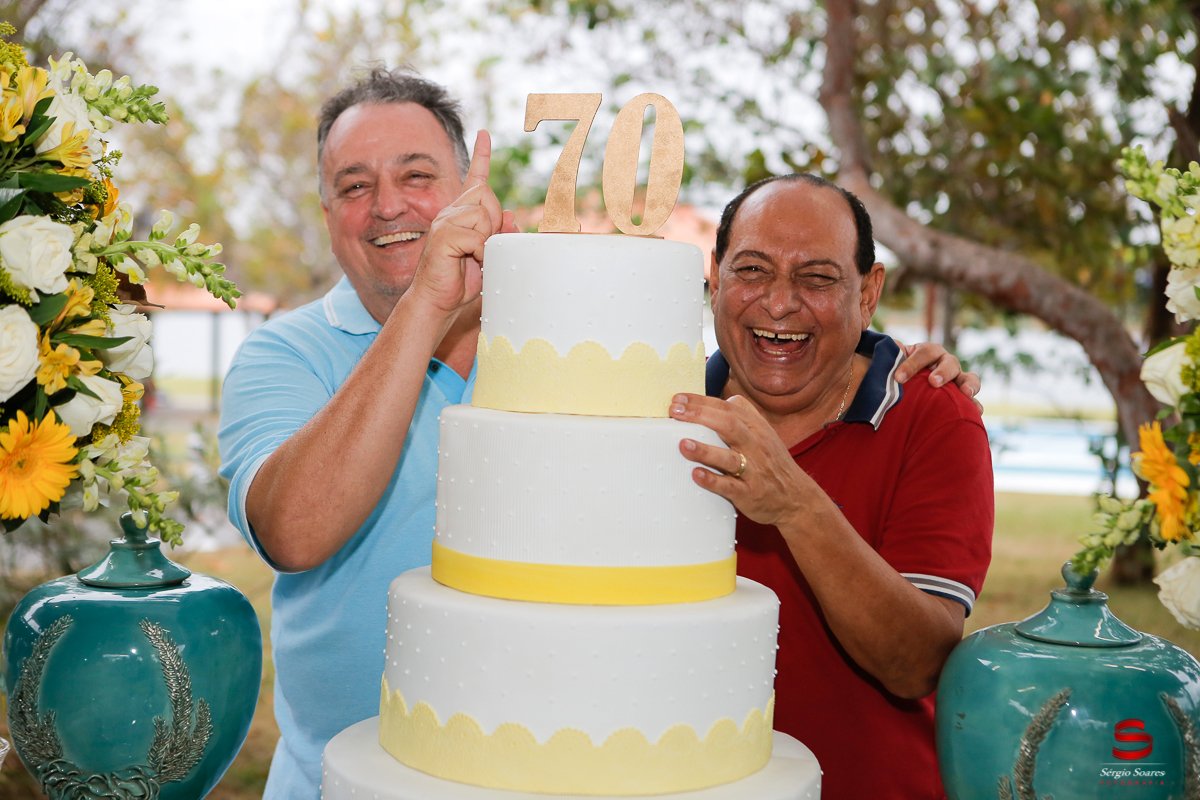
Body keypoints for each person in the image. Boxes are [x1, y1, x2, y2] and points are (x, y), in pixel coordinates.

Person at [218, 67, 980, 798]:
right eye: (354, 186)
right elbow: (295, 533)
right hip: (357, 778)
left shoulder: (571, 347)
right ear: (327, 212)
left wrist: (890, 366)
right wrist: (427, 302)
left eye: (416, 176)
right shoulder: (283, 357)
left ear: (469, 191)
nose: (388, 206)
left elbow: (918, 655)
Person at [668, 174, 993, 799]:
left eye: (816, 278)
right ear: (715, 277)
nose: (779, 304)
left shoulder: (933, 416)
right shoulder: (659, 407)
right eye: (752, 270)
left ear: (867, 293)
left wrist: (795, 504)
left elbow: (917, 664)